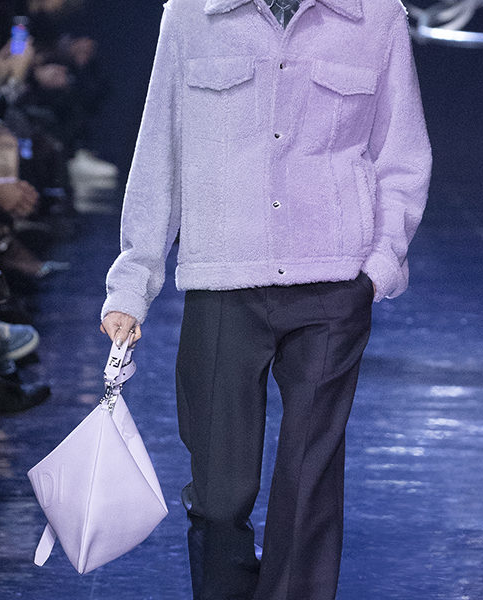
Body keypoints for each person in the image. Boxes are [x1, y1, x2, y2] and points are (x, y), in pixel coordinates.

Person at [100, 0, 431, 598]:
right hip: (223, 283)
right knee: (219, 491)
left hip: (333, 283)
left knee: (309, 482)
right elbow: (159, 152)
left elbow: (400, 154)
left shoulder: (376, 17)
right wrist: (133, 281)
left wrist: (378, 267)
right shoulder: (191, 15)